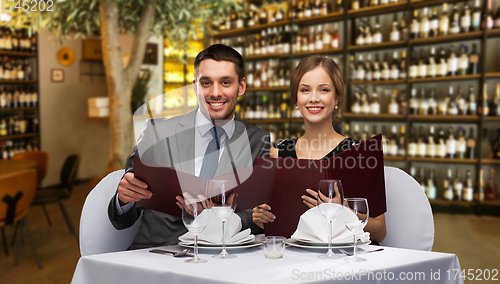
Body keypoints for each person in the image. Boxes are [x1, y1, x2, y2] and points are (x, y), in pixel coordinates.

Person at [108, 44, 270, 249]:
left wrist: (217, 217)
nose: (215, 92)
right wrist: (124, 200)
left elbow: (255, 216)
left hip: (223, 259)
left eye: (226, 82)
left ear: (241, 86)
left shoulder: (258, 140)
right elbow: (122, 219)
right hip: (155, 257)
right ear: (195, 87)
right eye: (206, 83)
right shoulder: (156, 132)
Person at [252, 55, 386, 243]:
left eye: (323, 90)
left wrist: (343, 211)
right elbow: (274, 222)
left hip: (342, 261)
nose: (314, 98)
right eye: (305, 90)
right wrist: (260, 216)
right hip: (291, 259)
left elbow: (380, 231)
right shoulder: (277, 153)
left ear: (337, 98)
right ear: (296, 99)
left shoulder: (359, 153)